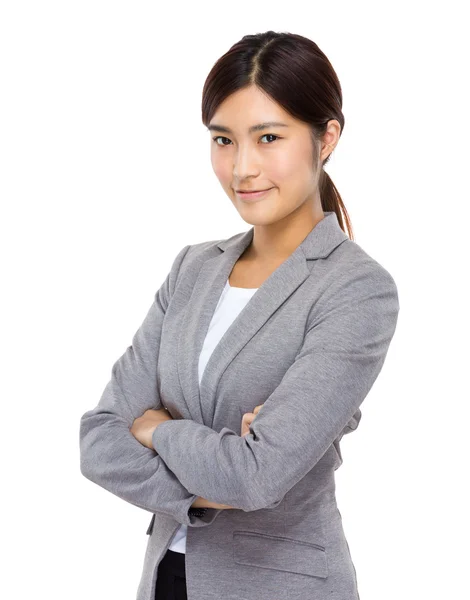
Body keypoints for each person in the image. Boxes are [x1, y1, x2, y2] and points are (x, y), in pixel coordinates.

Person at [79, 30, 400, 600]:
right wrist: (212, 480)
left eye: (268, 137)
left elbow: (256, 477)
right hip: (166, 581)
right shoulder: (193, 269)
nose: (242, 168)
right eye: (223, 140)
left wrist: (157, 429)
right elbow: (100, 441)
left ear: (326, 138)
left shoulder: (356, 290)